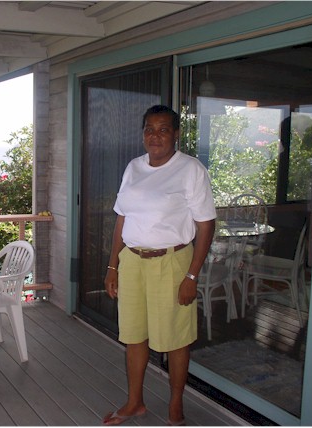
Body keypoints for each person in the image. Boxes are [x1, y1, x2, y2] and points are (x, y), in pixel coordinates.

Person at [102, 105, 216, 426]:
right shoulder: (133, 168)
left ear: (176, 134)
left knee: (176, 338)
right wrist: (113, 266)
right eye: (149, 130)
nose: (155, 136)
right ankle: (135, 402)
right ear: (143, 134)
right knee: (134, 335)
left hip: (172, 262)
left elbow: (206, 225)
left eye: (163, 129)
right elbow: (122, 219)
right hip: (132, 262)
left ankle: (175, 405)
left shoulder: (190, 170)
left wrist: (192, 274)